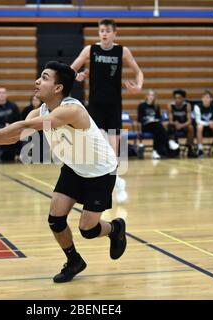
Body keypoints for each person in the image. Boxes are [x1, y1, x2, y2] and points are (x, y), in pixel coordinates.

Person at [0, 61, 126, 283]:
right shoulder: (38, 111)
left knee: (88, 230)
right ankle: (74, 261)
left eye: (45, 77)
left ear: (58, 88)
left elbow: (20, 127)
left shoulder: (71, 110)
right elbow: (17, 134)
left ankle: (115, 228)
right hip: (73, 168)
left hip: (100, 172)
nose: (37, 81)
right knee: (55, 220)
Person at [70, 18, 144, 203]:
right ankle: (115, 185)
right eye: (101, 30)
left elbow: (139, 72)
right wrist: (76, 76)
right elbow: (71, 69)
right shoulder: (90, 50)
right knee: (98, 150)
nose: (104, 33)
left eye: (107, 31)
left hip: (113, 106)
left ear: (114, 33)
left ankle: (117, 184)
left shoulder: (122, 51)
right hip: (95, 106)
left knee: (113, 153)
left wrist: (139, 86)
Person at [137, 90, 178, 159]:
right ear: (146, 96)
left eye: (152, 95)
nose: (151, 97)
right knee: (158, 127)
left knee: (157, 130)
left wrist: (155, 119)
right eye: (149, 95)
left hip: (155, 125)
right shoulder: (141, 105)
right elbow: (139, 118)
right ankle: (169, 141)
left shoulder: (156, 106)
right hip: (145, 126)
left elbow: (159, 117)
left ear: (154, 97)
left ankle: (155, 152)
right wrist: (148, 119)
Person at [0, 87, 21, 163]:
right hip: (0, 133)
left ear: (6, 95)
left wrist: (11, 127)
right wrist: (4, 128)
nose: (2, 95)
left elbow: (19, 119)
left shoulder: (13, 106)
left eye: (3, 93)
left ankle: (19, 153)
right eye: (0, 93)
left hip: (13, 131)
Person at [193, 90, 213, 158]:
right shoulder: (197, 106)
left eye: (207, 97)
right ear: (202, 99)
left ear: (211, 99)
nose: (205, 99)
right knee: (199, 127)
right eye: (204, 97)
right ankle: (200, 149)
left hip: (212, 127)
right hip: (203, 126)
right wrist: (208, 123)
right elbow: (198, 120)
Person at [167, 89, 196, 158]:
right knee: (168, 127)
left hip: (184, 125)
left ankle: (189, 148)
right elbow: (170, 120)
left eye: (179, 98)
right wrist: (175, 123)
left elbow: (189, 120)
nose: (177, 100)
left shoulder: (187, 105)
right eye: (175, 98)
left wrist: (182, 125)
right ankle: (174, 148)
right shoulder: (170, 105)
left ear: (183, 98)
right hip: (174, 125)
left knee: (191, 128)